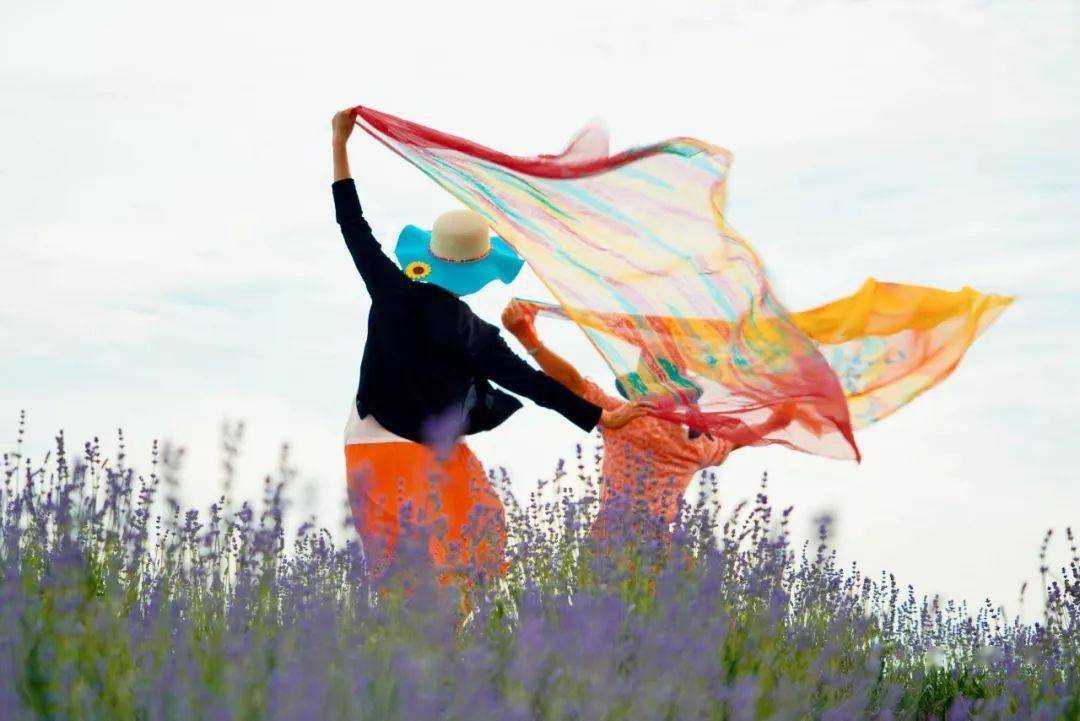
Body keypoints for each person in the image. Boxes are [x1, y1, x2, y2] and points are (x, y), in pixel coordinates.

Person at [330, 109, 648, 578]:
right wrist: (601, 416)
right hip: (422, 453)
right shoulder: (473, 334)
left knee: (402, 567)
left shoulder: (390, 288)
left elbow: (352, 223)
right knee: (471, 546)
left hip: (371, 443)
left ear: (430, 257)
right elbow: (532, 383)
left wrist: (339, 143)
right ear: (478, 272)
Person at [501, 299, 739, 536]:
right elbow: (740, 437)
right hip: (659, 546)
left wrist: (528, 340)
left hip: (609, 539)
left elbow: (572, 383)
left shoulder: (625, 418)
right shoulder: (697, 444)